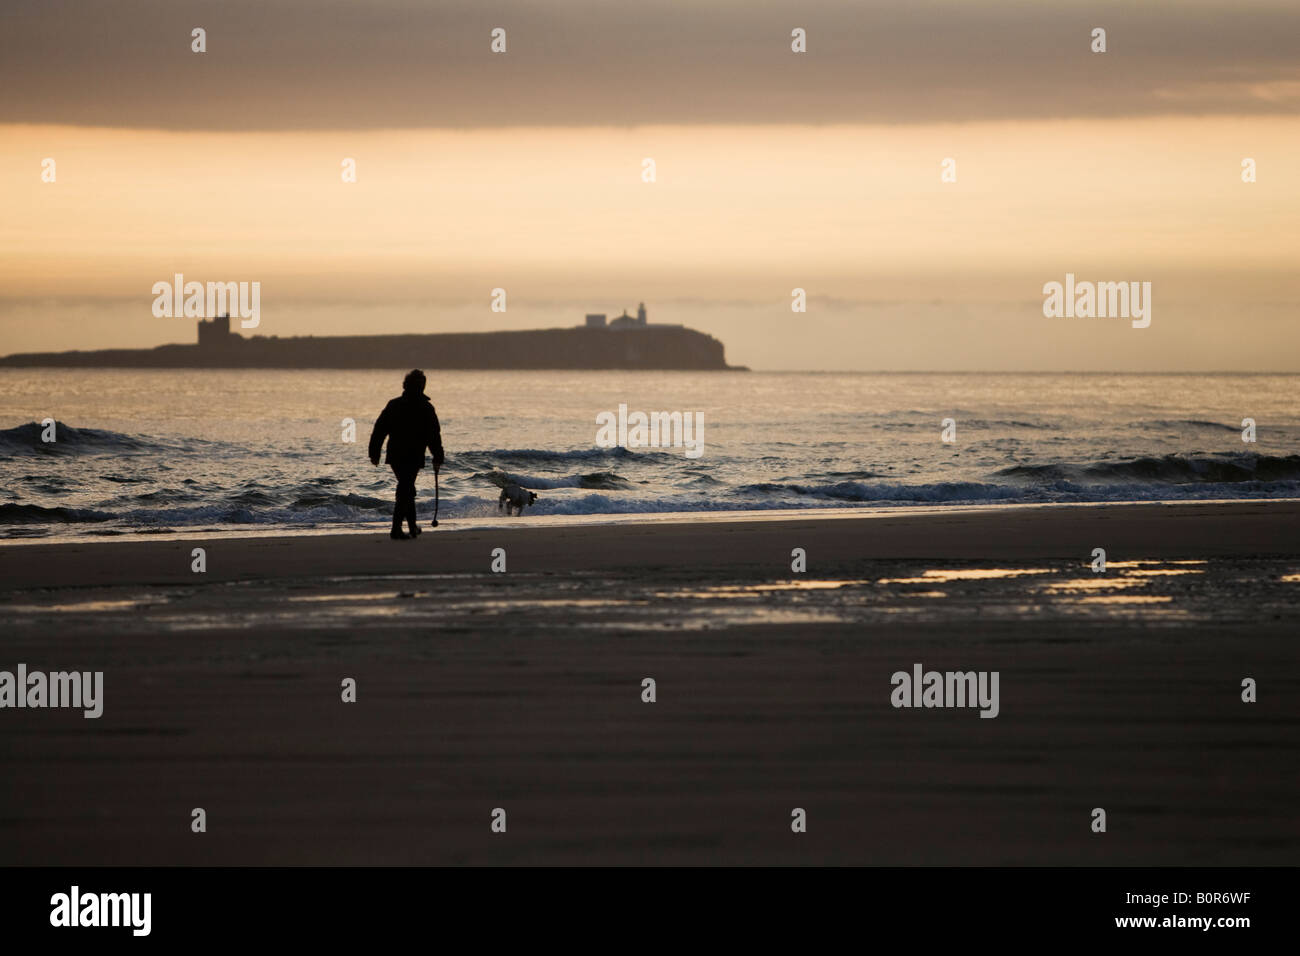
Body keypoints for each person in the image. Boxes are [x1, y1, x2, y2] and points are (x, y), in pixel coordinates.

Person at [369, 369, 444, 539]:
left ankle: (411, 527)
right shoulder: (426, 407)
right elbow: (434, 436)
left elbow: (379, 430)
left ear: (405, 385)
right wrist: (438, 457)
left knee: (406, 488)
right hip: (414, 455)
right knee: (406, 488)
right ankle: (396, 529)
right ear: (423, 387)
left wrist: (374, 453)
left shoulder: (394, 404)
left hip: (396, 455)